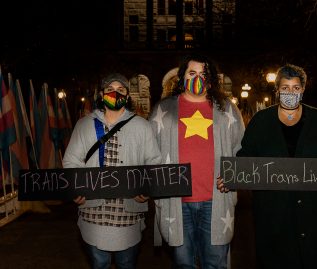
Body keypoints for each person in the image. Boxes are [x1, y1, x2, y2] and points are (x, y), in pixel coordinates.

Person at [234, 64, 317, 269]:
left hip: (312, 213)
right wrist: (230, 176)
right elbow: (245, 158)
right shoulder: (260, 121)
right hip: (273, 214)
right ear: (277, 91)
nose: (290, 93)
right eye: (285, 88)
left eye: (295, 88)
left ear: (303, 90)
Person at [149, 54, 245, 268]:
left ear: (211, 79)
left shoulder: (227, 110)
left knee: (215, 264)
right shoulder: (163, 110)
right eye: (192, 73)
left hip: (216, 201)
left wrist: (234, 176)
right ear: (182, 76)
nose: (198, 78)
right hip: (177, 203)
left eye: (203, 74)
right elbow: (150, 153)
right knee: (184, 264)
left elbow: (241, 149)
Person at [62, 73, 161, 269]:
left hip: (128, 212)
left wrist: (146, 190)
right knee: (99, 264)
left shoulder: (142, 126)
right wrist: (77, 188)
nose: (115, 93)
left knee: (126, 263)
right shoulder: (84, 125)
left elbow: (154, 162)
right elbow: (71, 160)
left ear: (127, 95)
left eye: (121, 90)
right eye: (110, 90)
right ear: (101, 94)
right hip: (93, 210)